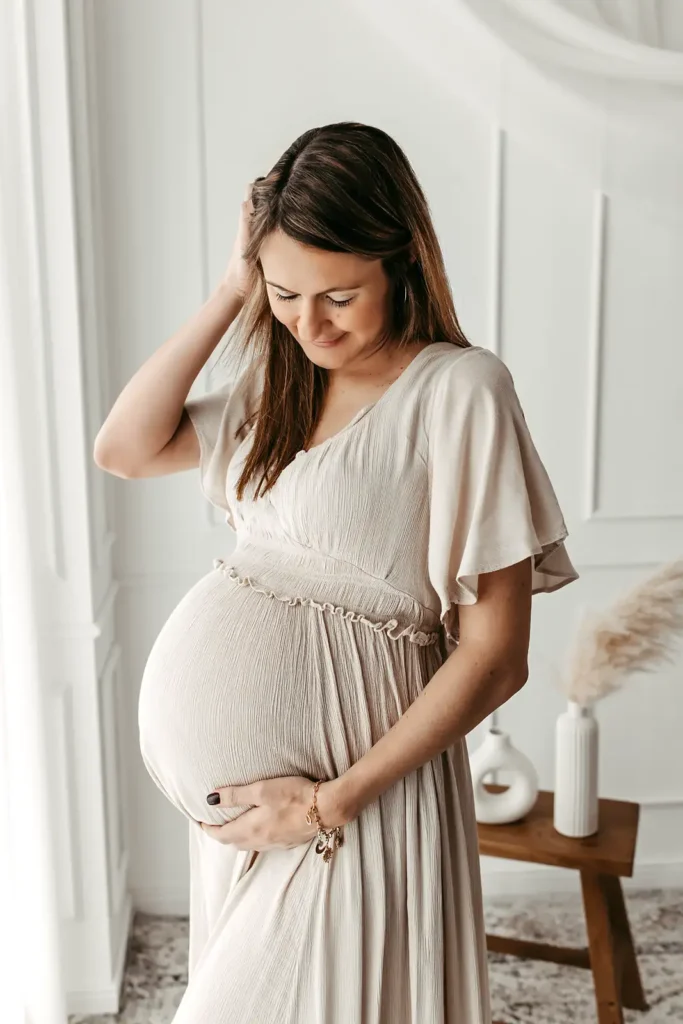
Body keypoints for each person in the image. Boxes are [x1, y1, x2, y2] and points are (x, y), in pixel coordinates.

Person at [94, 121, 579, 1023]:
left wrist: (325, 806)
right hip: (255, 823)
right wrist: (231, 290)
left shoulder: (459, 390)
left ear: (402, 264)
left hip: (350, 804)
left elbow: (495, 656)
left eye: (339, 297)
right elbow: (123, 448)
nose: (310, 324)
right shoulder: (279, 389)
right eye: (285, 294)